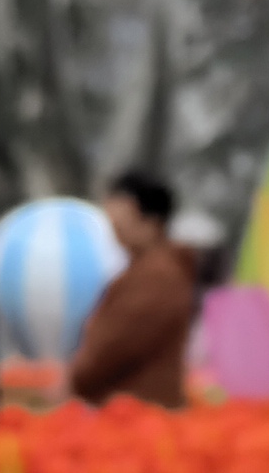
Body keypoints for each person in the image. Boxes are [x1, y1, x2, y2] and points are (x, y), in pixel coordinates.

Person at [70, 169, 198, 407]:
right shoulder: (151, 269)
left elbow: (111, 350)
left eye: (120, 217)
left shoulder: (156, 276)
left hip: (137, 414)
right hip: (136, 410)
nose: (113, 227)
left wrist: (76, 377)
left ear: (149, 219)